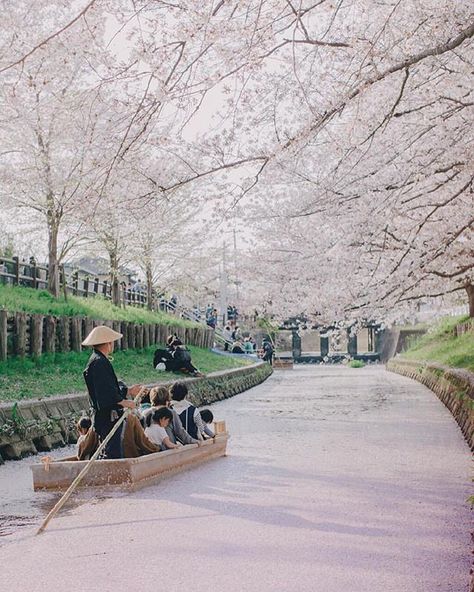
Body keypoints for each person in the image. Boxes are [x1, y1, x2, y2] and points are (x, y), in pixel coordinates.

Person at [82, 325, 141, 459]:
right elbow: (105, 393)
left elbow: (109, 388)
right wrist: (125, 402)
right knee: (112, 452)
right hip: (107, 416)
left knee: (110, 449)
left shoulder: (99, 360)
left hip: (106, 415)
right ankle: (110, 477)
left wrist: (128, 391)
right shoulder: (99, 363)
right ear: (108, 343)